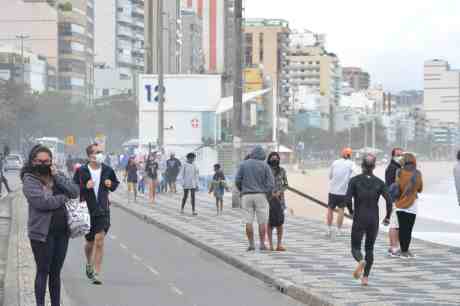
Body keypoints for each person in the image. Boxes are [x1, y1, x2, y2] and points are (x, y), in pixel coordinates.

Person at [22, 145, 79, 306]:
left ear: (51, 161)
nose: (43, 164)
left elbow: (74, 191)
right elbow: (41, 202)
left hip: (62, 232)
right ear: (33, 161)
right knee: (43, 271)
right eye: (39, 161)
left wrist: (57, 177)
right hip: (41, 233)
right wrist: (63, 198)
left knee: (56, 273)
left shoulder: (57, 175)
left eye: (47, 161)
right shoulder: (29, 179)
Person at [74, 143, 119, 285]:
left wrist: (110, 184)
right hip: (87, 211)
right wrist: (84, 187)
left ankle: (97, 273)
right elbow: (73, 188)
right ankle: (89, 263)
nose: (100, 154)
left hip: (103, 210)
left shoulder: (107, 170)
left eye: (101, 152)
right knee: (90, 242)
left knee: (99, 240)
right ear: (90, 156)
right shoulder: (81, 171)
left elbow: (115, 185)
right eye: (97, 152)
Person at [346, 154, 392, 286]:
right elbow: (389, 201)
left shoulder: (354, 181)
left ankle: (360, 260)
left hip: (360, 217)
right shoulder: (379, 182)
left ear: (362, 166)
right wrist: (387, 217)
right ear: (374, 167)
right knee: (370, 248)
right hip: (373, 219)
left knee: (355, 247)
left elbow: (348, 199)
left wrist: (351, 211)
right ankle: (365, 278)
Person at [235, 146, 275, 251]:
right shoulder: (265, 166)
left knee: (248, 221)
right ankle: (262, 244)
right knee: (262, 222)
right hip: (261, 195)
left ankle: (251, 244)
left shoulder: (244, 164)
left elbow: (237, 180)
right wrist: (266, 193)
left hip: (246, 195)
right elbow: (271, 184)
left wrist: (242, 190)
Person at [395, 152, 423, 259]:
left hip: (399, 203)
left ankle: (403, 250)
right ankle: (405, 251)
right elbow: (420, 189)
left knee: (402, 228)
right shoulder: (417, 173)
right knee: (408, 228)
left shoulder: (399, 172)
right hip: (412, 205)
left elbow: (397, 187)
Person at [327, 147, 355, 237]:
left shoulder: (335, 162)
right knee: (341, 210)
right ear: (350, 155)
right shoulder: (351, 164)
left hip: (332, 191)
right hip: (343, 192)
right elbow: (356, 175)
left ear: (342, 154)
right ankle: (338, 230)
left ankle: (329, 229)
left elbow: (330, 176)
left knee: (330, 209)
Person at [267, 152, 288, 252]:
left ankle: (279, 244)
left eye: (276, 158)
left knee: (280, 222)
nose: (274, 160)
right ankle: (270, 245)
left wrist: (280, 192)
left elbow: (286, 184)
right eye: (272, 158)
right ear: (269, 159)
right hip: (268, 200)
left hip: (280, 201)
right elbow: (262, 183)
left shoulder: (282, 171)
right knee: (269, 222)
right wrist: (270, 192)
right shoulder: (266, 170)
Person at [385, 147, 404, 257]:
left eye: (401, 154)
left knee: (395, 224)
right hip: (394, 199)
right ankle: (394, 247)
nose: (400, 156)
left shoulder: (398, 167)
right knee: (395, 225)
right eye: (397, 155)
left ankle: (393, 246)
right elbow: (390, 185)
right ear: (393, 156)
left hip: (396, 199)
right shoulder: (392, 168)